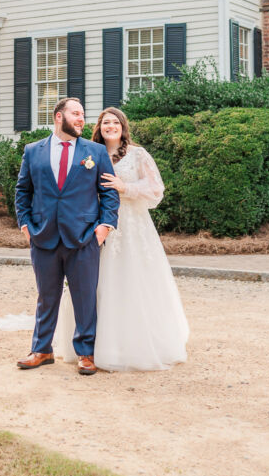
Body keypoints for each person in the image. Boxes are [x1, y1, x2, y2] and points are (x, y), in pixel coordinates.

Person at [55, 107, 189, 371]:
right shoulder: (90, 153)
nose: (110, 126)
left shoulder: (138, 154)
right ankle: (90, 345)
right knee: (94, 284)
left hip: (132, 227)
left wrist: (124, 187)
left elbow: (156, 190)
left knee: (131, 282)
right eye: (106, 122)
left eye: (115, 122)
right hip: (97, 226)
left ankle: (132, 344)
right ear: (99, 127)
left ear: (123, 127)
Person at [14, 97, 119, 376]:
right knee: (46, 297)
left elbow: (109, 193)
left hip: (84, 236)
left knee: (84, 297)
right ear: (59, 117)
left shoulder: (94, 152)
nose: (81, 119)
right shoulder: (33, 151)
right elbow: (23, 191)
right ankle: (42, 350)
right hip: (43, 235)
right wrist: (25, 225)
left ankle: (86, 353)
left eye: (83, 114)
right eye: (76, 113)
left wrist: (104, 227)